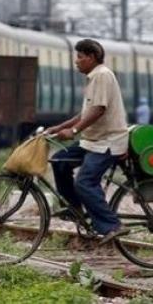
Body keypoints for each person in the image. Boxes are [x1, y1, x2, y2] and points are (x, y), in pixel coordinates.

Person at [44, 39, 130, 245]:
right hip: (92, 140)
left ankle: (112, 225)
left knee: (85, 182)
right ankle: (74, 209)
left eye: (80, 57)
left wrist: (73, 131)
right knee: (60, 162)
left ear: (91, 58)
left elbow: (99, 110)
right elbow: (85, 113)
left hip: (108, 141)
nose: (76, 62)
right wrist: (58, 128)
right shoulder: (94, 77)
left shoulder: (101, 76)